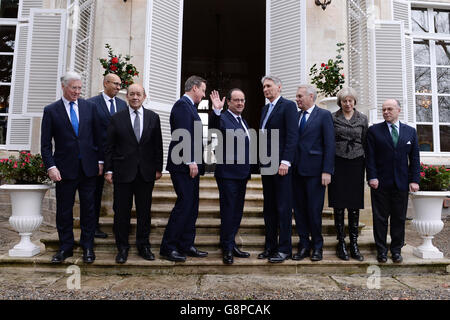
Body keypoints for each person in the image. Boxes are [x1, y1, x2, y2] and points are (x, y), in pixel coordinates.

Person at [41, 72, 103, 264]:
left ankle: (88, 247)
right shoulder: (51, 110)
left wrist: (100, 161)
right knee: (64, 211)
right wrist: (51, 166)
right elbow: (45, 144)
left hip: (88, 169)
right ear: (64, 87)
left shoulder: (90, 107)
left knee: (89, 210)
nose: (77, 91)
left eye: (79, 88)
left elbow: (99, 138)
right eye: (73, 88)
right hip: (64, 171)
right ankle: (65, 247)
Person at [104, 83, 163, 264]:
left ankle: (143, 245)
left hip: (146, 173)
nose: (135, 97)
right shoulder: (117, 118)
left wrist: (159, 168)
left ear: (144, 97)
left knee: (144, 212)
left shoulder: (154, 117)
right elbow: (109, 147)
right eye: (131, 94)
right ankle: (122, 247)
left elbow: (157, 145)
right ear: (126, 97)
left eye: (138, 94)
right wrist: (108, 169)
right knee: (121, 212)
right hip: (123, 172)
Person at [160, 75, 208, 262]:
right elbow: (181, 134)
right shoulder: (182, 105)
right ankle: (168, 247)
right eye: (203, 90)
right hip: (183, 165)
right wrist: (190, 160)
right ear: (194, 88)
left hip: (189, 165)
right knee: (184, 205)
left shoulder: (190, 107)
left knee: (192, 206)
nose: (203, 95)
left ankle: (186, 244)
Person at [366, 99, 420, 263]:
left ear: (399, 110)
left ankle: (396, 250)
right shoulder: (374, 131)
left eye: (389, 109)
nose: (386, 112)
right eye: (383, 109)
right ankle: (381, 250)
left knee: (399, 218)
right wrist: (372, 177)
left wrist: (414, 180)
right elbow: (370, 157)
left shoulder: (410, 132)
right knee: (380, 218)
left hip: (401, 183)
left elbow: (415, 158)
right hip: (380, 183)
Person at [292, 84, 335, 262]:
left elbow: (330, 144)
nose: (297, 99)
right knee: (299, 211)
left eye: (300, 96)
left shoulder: (324, 115)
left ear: (311, 97)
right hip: (296, 172)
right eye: (297, 96)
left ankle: (317, 246)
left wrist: (327, 170)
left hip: (316, 173)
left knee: (314, 211)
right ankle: (303, 245)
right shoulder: (294, 116)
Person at [258, 75, 298, 263]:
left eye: (269, 86)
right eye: (264, 87)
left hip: (281, 166)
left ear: (279, 87)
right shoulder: (265, 109)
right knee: (269, 208)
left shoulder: (288, 106)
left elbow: (292, 135)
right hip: (267, 165)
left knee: (283, 208)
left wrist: (286, 161)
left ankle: (284, 249)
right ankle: (270, 246)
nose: (266, 89)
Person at [209, 88, 251, 265]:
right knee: (228, 211)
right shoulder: (223, 118)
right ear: (229, 102)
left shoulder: (243, 121)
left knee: (237, 211)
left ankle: (231, 243)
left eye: (242, 100)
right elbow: (214, 130)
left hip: (242, 174)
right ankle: (226, 248)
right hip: (227, 174)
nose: (240, 103)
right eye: (236, 100)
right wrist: (216, 111)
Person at [328, 87, 368, 261]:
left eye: (350, 100)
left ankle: (354, 243)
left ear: (354, 101)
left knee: (354, 204)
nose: (347, 103)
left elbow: (366, 142)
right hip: (338, 162)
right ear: (340, 102)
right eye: (344, 100)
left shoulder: (363, 119)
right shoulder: (332, 118)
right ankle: (341, 243)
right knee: (338, 204)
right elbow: (329, 142)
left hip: (357, 162)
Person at [87, 74, 127, 239]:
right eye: (115, 84)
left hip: (119, 158)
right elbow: (89, 134)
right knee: (94, 194)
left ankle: (120, 227)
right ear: (105, 83)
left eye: (120, 85)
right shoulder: (91, 104)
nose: (118, 87)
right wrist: (98, 160)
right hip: (98, 157)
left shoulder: (123, 105)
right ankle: (93, 227)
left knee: (121, 194)